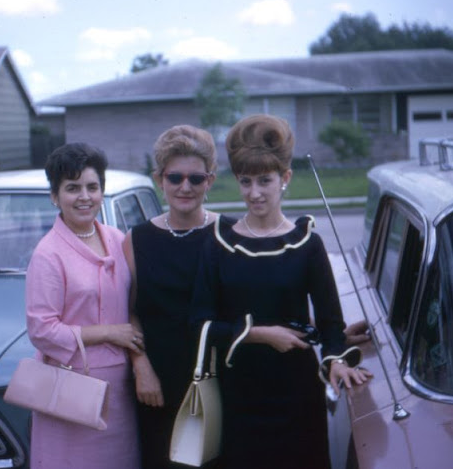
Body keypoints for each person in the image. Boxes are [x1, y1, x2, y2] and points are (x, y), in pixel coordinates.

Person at [190, 114, 373, 469]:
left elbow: (332, 326)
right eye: (245, 181)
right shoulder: (217, 244)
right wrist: (259, 334)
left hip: (297, 394)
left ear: (285, 178)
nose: (254, 192)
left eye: (264, 180)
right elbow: (198, 324)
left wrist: (336, 361)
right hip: (238, 394)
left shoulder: (307, 243)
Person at [25, 143, 143, 469]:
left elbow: (136, 304)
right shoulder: (48, 254)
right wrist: (108, 332)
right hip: (71, 391)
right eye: (72, 188)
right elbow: (41, 328)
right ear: (54, 195)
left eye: (92, 187)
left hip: (120, 392)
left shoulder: (118, 240)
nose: (84, 196)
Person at [123, 124, 231, 468]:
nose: (185, 187)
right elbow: (126, 311)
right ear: (159, 179)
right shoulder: (136, 240)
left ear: (210, 181)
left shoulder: (229, 233)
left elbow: (256, 300)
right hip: (157, 385)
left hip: (221, 380)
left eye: (196, 179)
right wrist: (140, 366)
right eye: (175, 178)